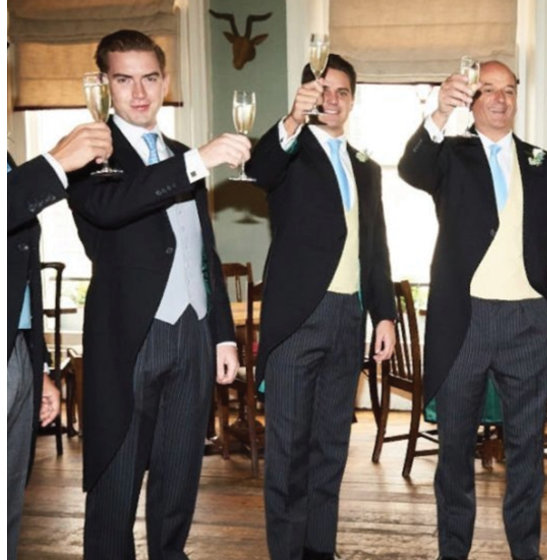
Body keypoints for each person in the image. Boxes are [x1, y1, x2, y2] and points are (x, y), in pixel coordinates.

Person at [67, 29, 251, 559]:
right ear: (105, 85)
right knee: (116, 485)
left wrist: (222, 336)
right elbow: (111, 207)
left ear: (165, 81)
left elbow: (201, 251)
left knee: (178, 479)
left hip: (192, 337)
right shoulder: (87, 148)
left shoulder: (177, 153)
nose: (140, 92)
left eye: (150, 78)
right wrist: (199, 160)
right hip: (129, 340)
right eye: (124, 80)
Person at [398, 59, 547, 560]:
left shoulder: (545, 163)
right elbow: (410, 168)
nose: (500, 99)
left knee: (527, 453)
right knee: (454, 450)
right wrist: (439, 112)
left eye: (509, 90)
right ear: (473, 100)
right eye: (489, 90)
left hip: (528, 323)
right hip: (465, 321)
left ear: (517, 98)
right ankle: (452, 552)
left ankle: (527, 552)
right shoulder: (450, 156)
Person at [245, 54, 397, 560]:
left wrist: (386, 315)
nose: (332, 100)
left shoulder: (366, 167)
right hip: (297, 322)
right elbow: (257, 167)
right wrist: (291, 119)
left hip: (347, 320)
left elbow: (375, 247)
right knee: (287, 454)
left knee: (330, 450)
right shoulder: (290, 152)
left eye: (343, 92)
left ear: (353, 100)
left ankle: (319, 552)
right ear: (309, 94)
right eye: (323, 90)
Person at [7, 122, 113, 558]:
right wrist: (53, 164)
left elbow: (18, 273)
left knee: (9, 505)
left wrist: (40, 366)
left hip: (17, 352)